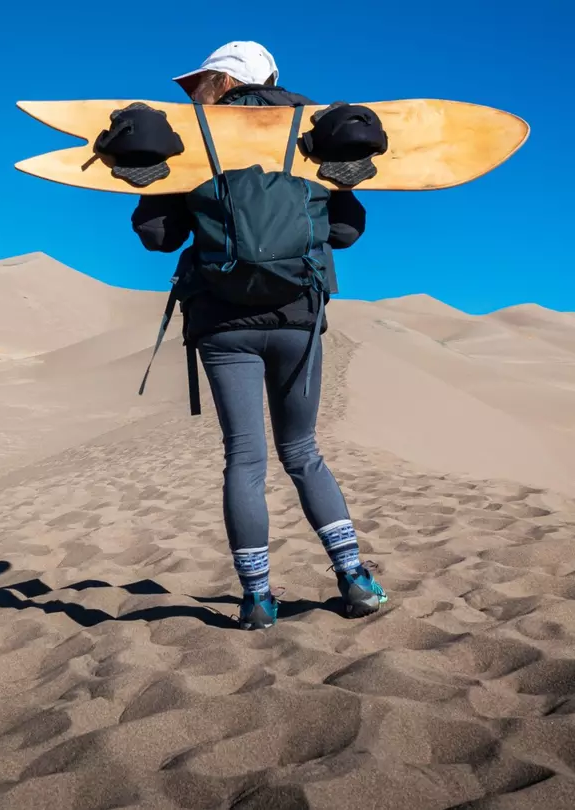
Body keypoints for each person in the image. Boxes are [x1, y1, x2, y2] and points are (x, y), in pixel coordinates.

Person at [131, 41, 387, 630]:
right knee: (302, 453)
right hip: (298, 316)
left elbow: (157, 235)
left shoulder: (196, 137)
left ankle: (256, 599)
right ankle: (355, 582)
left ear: (221, 81)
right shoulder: (314, 133)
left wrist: (157, 183)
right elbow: (346, 234)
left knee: (244, 460)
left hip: (223, 326)